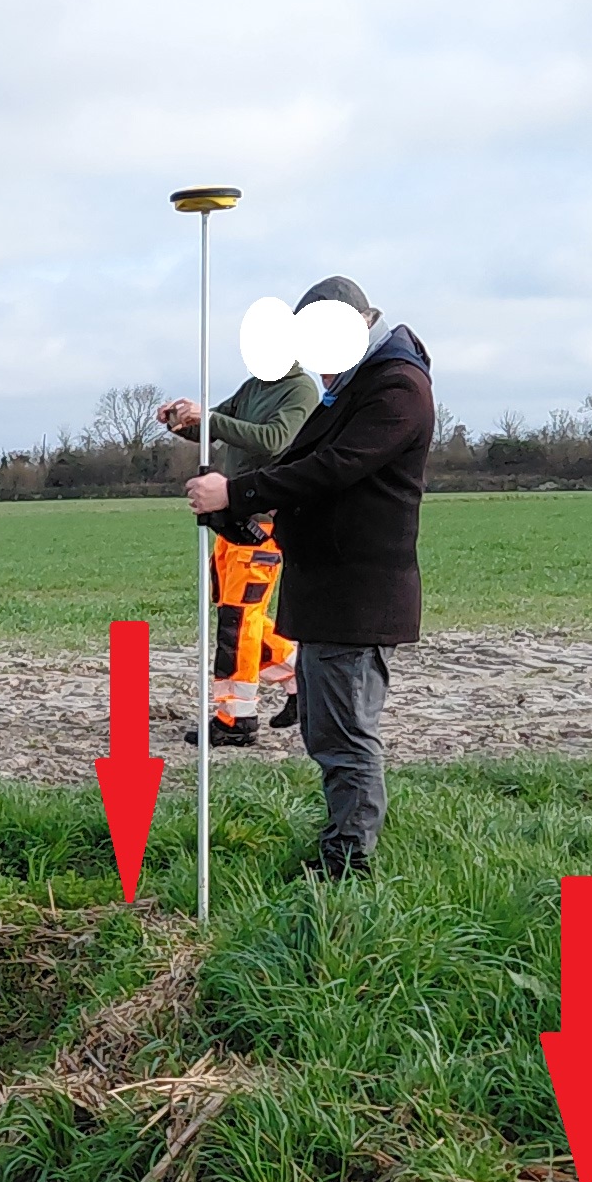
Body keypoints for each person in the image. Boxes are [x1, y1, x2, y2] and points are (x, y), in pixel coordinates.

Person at [162, 275, 433, 877]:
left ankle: (348, 866)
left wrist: (237, 491)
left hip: (356, 595)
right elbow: (304, 464)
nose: (320, 368)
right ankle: (342, 845)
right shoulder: (356, 386)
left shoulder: (396, 388)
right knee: (324, 729)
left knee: (346, 737)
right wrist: (238, 505)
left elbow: (331, 469)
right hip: (326, 590)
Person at [194, 360, 321, 746]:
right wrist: (185, 421)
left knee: (239, 622)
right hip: (233, 521)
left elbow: (273, 440)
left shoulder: (300, 390)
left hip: (263, 523)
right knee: (237, 616)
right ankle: (301, 675)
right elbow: (216, 424)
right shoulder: (253, 388)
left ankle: (236, 718)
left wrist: (209, 420)